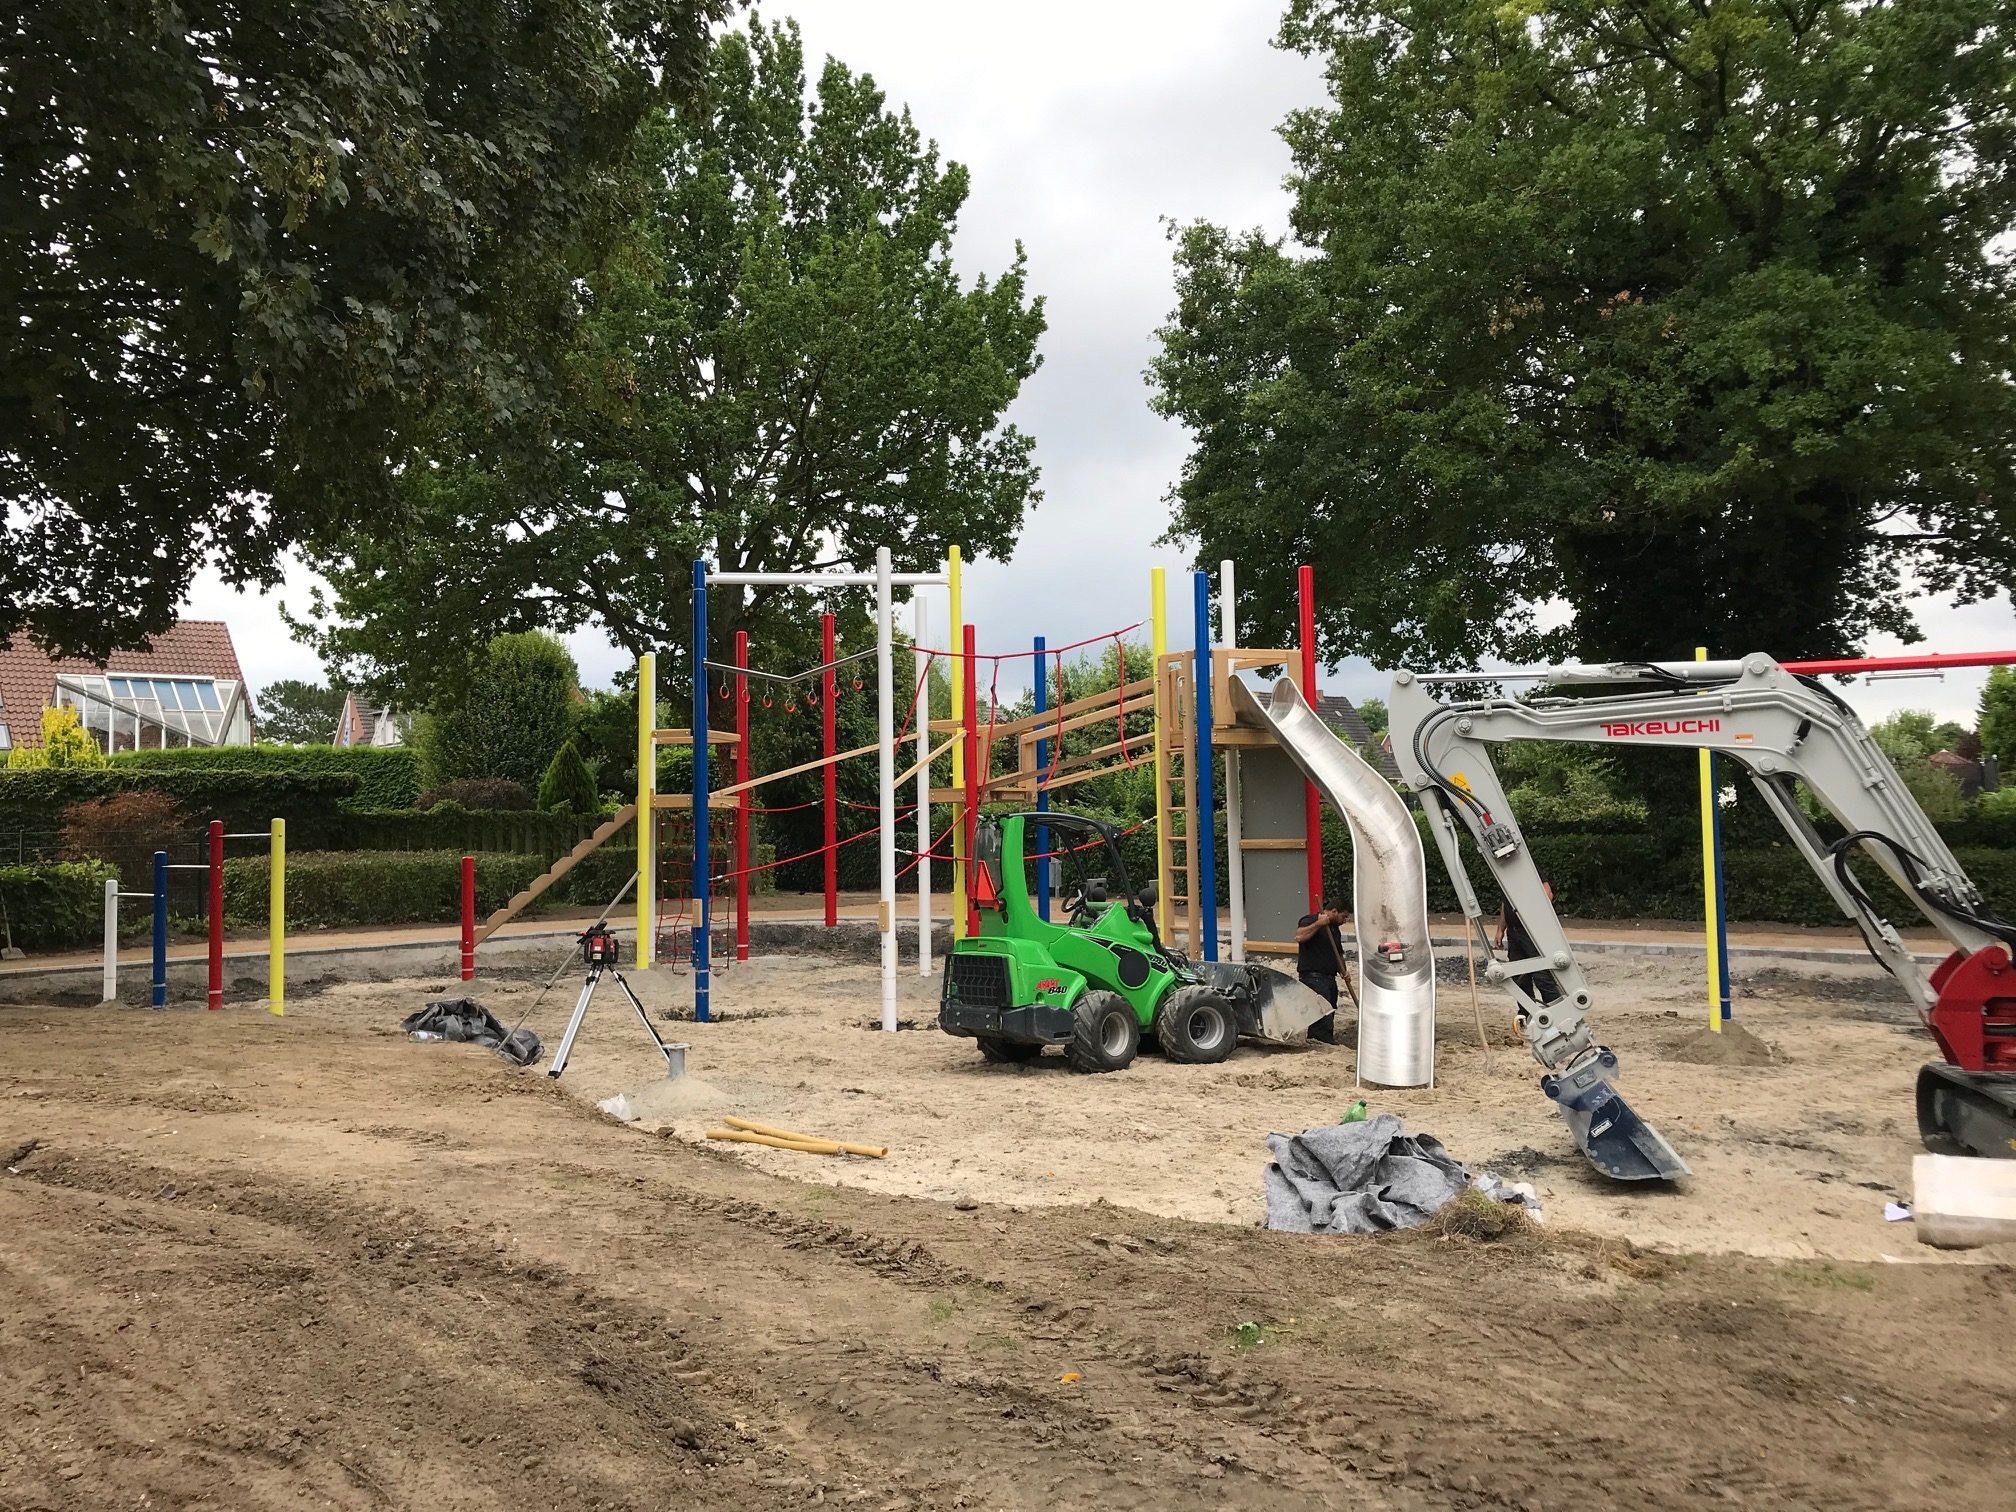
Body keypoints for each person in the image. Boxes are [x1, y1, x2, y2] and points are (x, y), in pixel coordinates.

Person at [1494, 879, 1563, 1005]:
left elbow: (1547, 894)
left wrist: (1535, 919)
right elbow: (1506, 903)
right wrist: (1500, 929)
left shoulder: (1527, 867)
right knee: (1519, 976)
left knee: (1541, 975)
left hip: (1531, 932)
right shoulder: (1504, 874)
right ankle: (1526, 1013)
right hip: (1513, 932)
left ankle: (1558, 1010)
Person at [1294, 896, 1350, 1044]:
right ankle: (1319, 1040)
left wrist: (1344, 971)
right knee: (1321, 1013)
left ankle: (1326, 1038)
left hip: (1329, 978)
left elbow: (1338, 953)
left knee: (1329, 1011)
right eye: (1343, 916)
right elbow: (1299, 936)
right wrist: (1318, 924)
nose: (1345, 921)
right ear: (1334, 911)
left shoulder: (1334, 930)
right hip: (1314, 978)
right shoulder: (1309, 920)